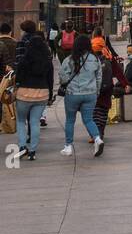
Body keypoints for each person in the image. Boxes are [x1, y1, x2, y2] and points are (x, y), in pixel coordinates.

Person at [58, 33, 104, 157]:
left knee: (70, 120)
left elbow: (62, 76)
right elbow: (99, 77)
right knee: (88, 119)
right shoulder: (95, 59)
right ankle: (97, 139)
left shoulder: (70, 59)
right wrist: (97, 91)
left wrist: (67, 83)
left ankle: (68, 146)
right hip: (90, 94)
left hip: (73, 94)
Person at [12, 30, 54, 161]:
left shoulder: (25, 60)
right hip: (42, 94)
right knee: (34, 122)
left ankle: (22, 146)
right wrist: (50, 94)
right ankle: (33, 151)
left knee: (20, 121)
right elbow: (50, 79)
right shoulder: (47, 61)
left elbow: (18, 77)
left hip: (24, 94)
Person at [90, 31, 129, 140]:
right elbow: (118, 72)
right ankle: (100, 131)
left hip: (93, 88)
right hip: (107, 88)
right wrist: (125, 84)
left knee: (94, 111)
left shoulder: (88, 58)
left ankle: (95, 134)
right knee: (103, 110)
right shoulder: (108, 57)